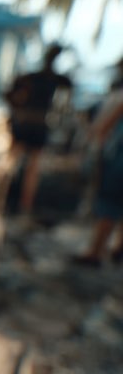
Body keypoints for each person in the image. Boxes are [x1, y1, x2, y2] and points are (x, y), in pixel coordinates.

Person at [6, 45, 73, 215]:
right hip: (36, 124)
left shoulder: (37, 78)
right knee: (24, 166)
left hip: (30, 123)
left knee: (20, 165)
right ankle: (15, 202)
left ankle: (13, 201)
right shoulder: (50, 79)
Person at [76, 65, 123, 265]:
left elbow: (102, 128)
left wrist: (94, 150)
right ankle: (116, 248)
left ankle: (96, 251)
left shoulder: (120, 97)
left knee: (109, 205)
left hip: (118, 160)